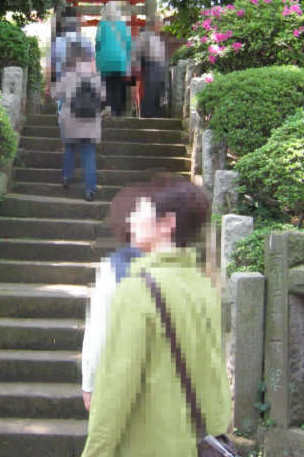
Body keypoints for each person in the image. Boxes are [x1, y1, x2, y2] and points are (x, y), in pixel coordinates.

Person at [80, 178, 230, 457]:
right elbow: (215, 373)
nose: (133, 218)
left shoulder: (137, 288)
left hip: (148, 443)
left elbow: (116, 389)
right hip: (198, 443)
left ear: (167, 222)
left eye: (142, 210)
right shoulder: (204, 284)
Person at [80, 186, 143, 411]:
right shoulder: (183, 270)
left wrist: (90, 382)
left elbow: (99, 328)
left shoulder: (113, 268)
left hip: (122, 376)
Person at [53, 42, 104, 201]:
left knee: (70, 147)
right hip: (89, 119)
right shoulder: (96, 77)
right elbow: (104, 97)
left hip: (70, 119)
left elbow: (57, 94)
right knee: (89, 154)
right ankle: (90, 190)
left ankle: (66, 177)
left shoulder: (68, 74)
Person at [95, 1, 132, 117]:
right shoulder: (123, 25)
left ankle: (107, 107)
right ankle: (117, 110)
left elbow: (98, 43)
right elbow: (129, 44)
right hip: (120, 61)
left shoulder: (102, 25)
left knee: (106, 85)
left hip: (105, 61)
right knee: (118, 85)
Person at [132, 18, 168, 118]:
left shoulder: (140, 38)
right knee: (154, 93)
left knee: (144, 95)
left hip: (144, 70)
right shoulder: (156, 40)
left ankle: (144, 114)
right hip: (156, 69)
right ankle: (155, 113)